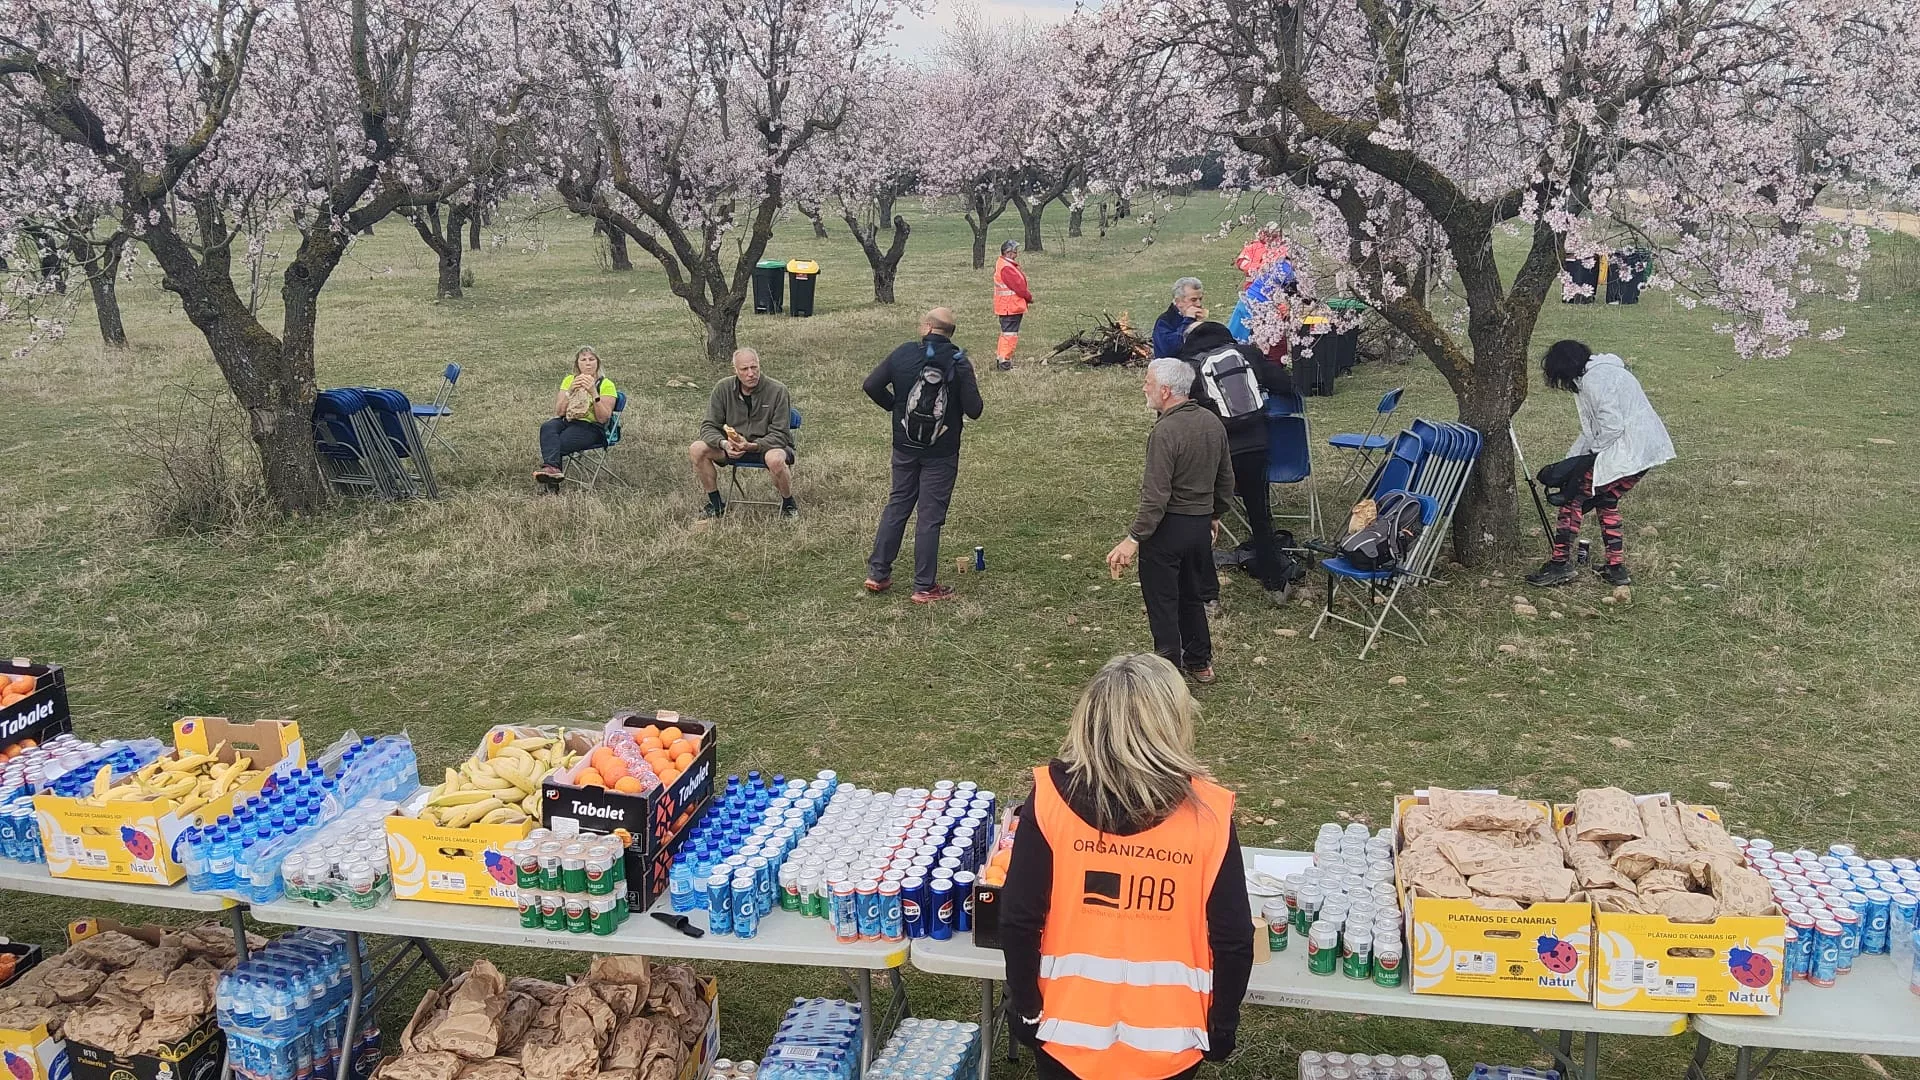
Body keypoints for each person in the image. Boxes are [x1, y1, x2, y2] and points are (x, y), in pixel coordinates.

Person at [1002, 652, 1253, 1080]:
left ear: (1090, 718)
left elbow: (1018, 920)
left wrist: (1026, 1007)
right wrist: (1223, 1022)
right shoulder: (1209, 814)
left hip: (1066, 1036)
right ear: (1173, 722)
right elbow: (1234, 939)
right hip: (1171, 1043)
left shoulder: (1049, 802)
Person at [1107, 359, 1235, 682]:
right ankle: (1200, 663)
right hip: (1199, 527)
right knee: (1191, 596)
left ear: (1165, 391)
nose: (1144, 388)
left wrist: (1133, 539)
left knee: (1162, 602)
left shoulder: (1165, 431)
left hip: (1167, 530)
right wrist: (1214, 514)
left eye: (1148, 383)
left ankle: (1168, 674)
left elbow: (1156, 497)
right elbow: (1226, 481)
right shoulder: (1212, 423)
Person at [1525, 340, 1675, 587]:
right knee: (1606, 500)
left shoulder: (1595, 380)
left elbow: (1611, 428)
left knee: (1572, 500)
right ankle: (1616, 568)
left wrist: (1588, 458)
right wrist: (1571, 461)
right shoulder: (1605, 372)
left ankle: (1560, 565)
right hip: (1645, 451)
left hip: (1628, 451)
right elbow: (1591, 431)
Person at [862, 307, 984, 602]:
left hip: (904, 445)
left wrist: (895, 406)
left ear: (928, 327)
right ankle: (924, 586)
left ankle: (878, 573)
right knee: (929, 517)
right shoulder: (959, 362)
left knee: (898, 504)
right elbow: (975, 410)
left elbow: (871, 385)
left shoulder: (903, 352)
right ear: (950, 333)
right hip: (941, 452)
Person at [1179, 321, 1297, 603]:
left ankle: (1208, 595)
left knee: (1203, 515)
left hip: (1216, 450)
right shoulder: (1246, 353)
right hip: (1255, 445)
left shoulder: (1188, 366)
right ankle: (1274, 583)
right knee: (1260, 515)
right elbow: (1285, 384)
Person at [689, 348, 797, 519]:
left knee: (775, 459)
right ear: (735, 370)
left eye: (754, 367)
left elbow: (781, 434)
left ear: (760, 366)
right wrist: (724, 444)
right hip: (733, 448)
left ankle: (788, 504)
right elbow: (708, 426)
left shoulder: (778, 390)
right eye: (744, 369)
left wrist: (752, 446)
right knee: (696, 448)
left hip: (767, 447)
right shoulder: (722, 388)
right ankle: (716, 504)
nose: (751, 373)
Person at [534, 347, 616, 486]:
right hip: (568, 420)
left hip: (591, 427)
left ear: (598, 363)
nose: (588, 363)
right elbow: (559, 412)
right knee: (548, 427)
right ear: (577, 364)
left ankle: (551, 482)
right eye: (583, 360)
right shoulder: (569, 380)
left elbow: (603, 418)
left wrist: (593, 392)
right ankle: (553, 470)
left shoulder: (606, 385)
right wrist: (570, 391)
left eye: (591, 359)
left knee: (555, 444)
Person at [992, 239, 1033, 370]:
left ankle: (1001, 359)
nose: (1016, 254)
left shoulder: (1003, 264)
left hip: (1007, 306)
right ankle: (1005, 362)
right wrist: (1029, 297)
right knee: (1010, 334)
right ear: (1008, 252)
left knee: (1006, 333)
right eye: (1014, 251)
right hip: (1010, 306)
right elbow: (1019, 287)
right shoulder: (1007, 267)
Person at [1151, 277, 1206, 359]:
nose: (1199, 304)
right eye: (1193, 300)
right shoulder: (1164, 321)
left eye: (1200, 299)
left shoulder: (1194, 318)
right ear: (1178, 301)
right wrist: (1188, 320)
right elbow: (1172, 349)